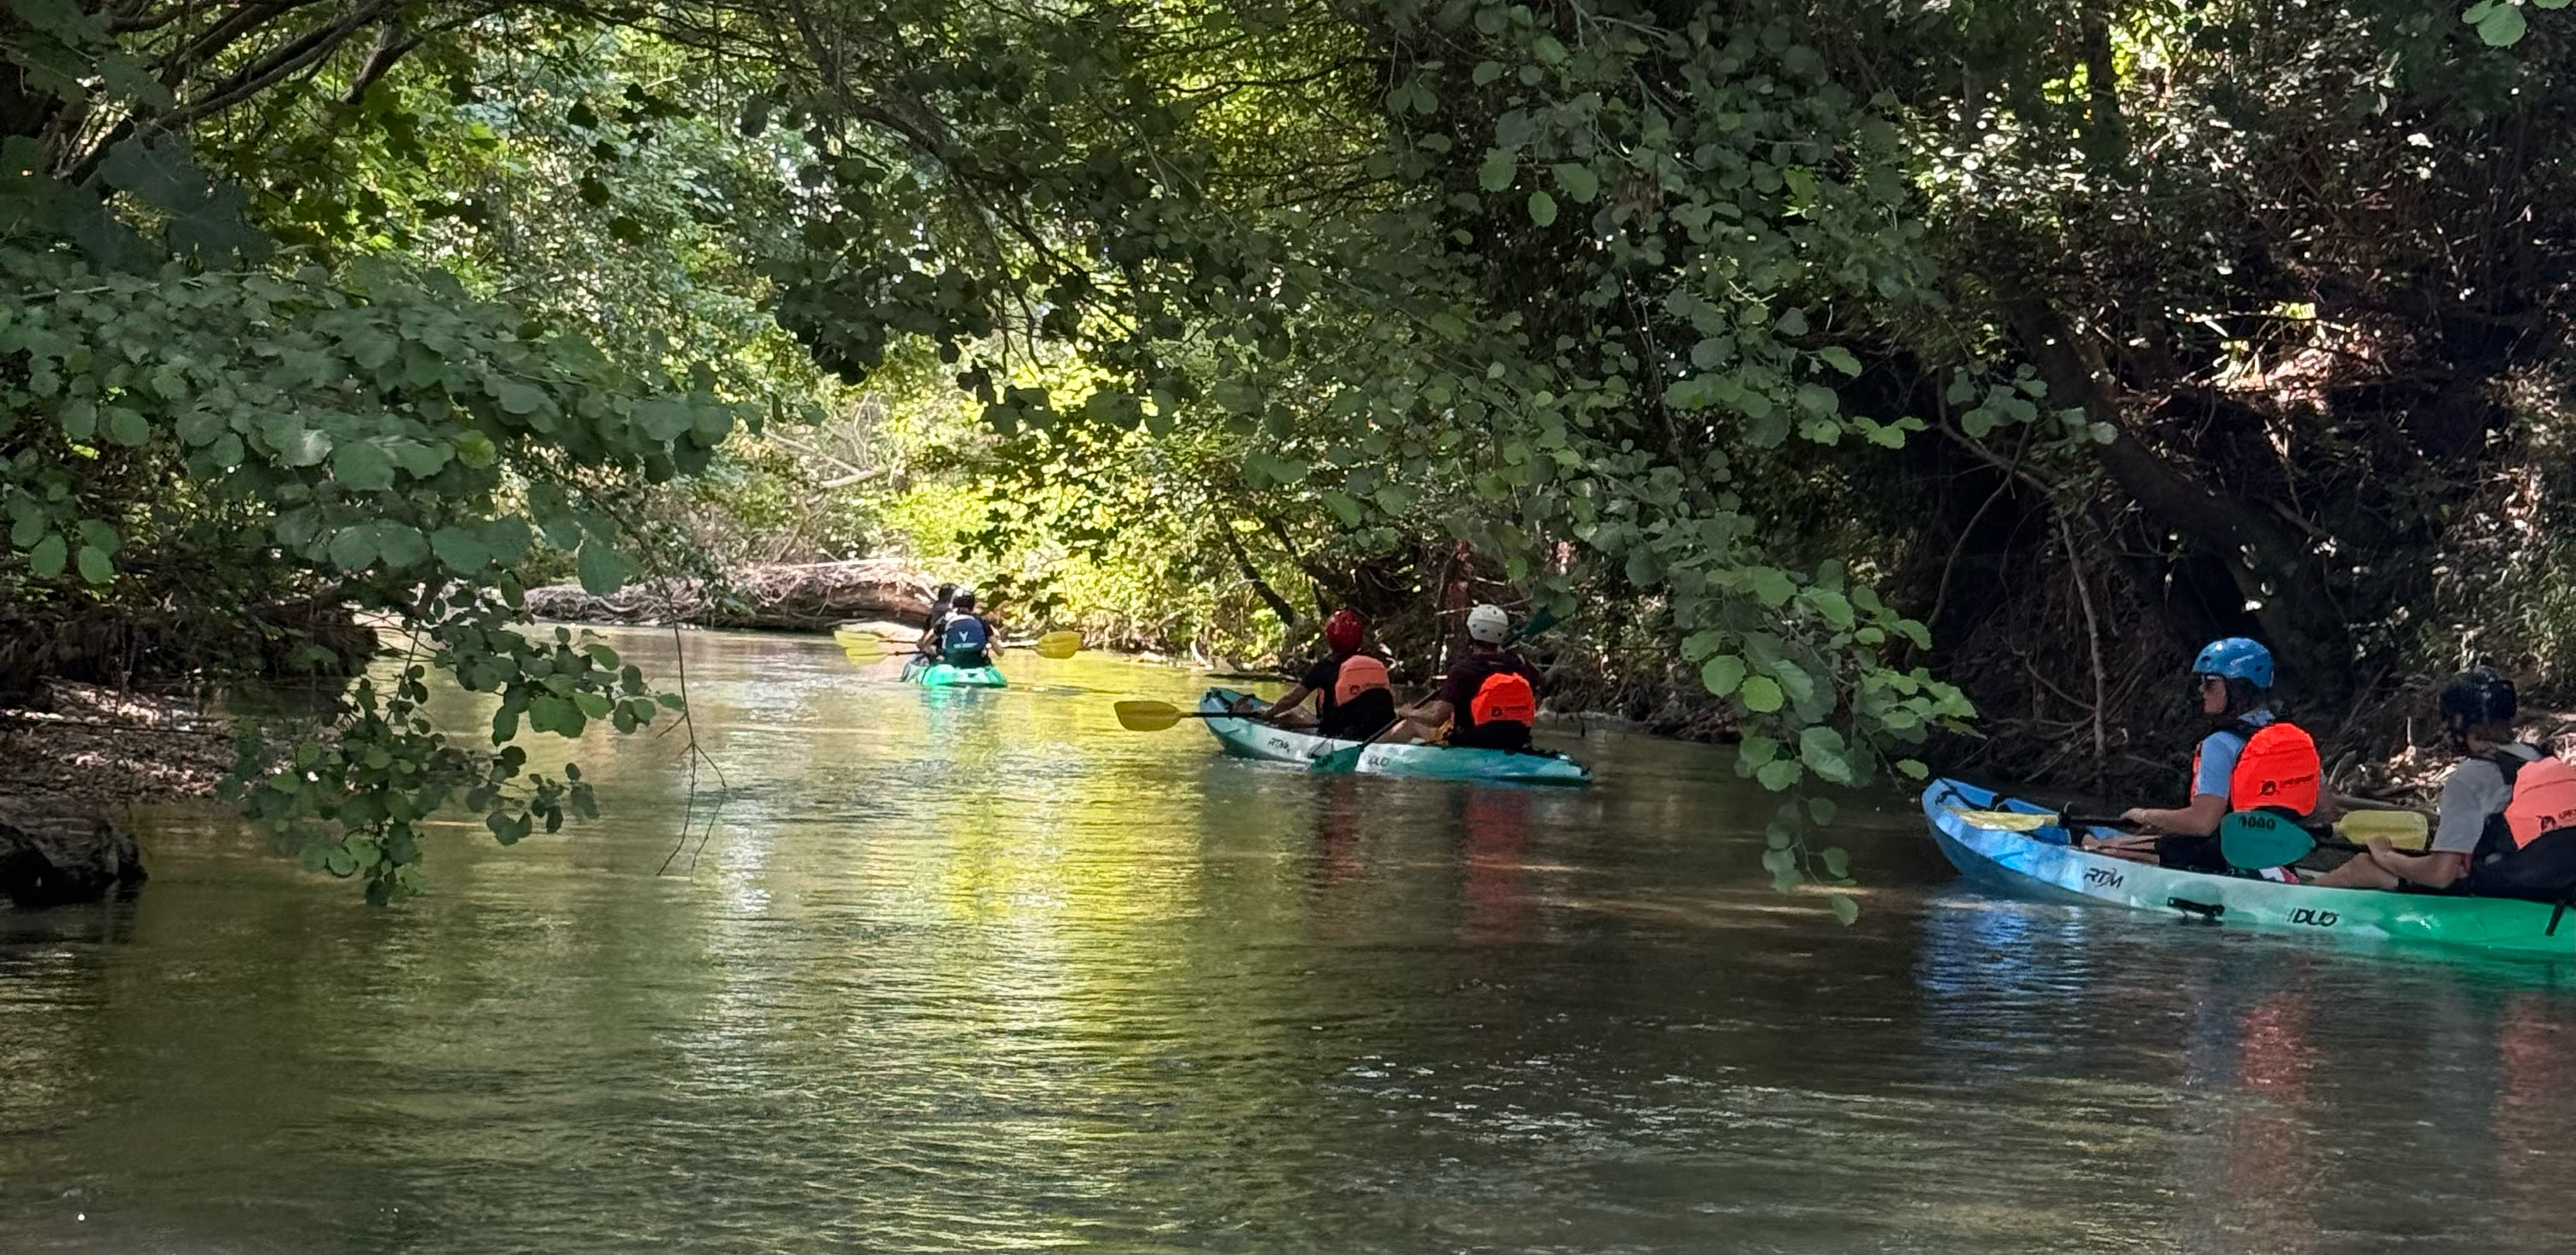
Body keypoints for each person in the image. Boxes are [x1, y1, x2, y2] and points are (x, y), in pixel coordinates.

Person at [2309, 667, 2576, 900]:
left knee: (2362, 865)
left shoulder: (2469, 778)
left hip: (2506, 890)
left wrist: (2384, 855)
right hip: (2561, 886)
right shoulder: (2540, 757)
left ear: (2459, 722)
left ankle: (2283, 903)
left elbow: (2440, 875)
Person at [2095, 637, 2323, 872]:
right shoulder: (2295, 739)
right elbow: (2323, 808)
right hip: (2278, 857)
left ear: (2238, 687)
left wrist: (2144, 815)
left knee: (2103, 848)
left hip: (2216, 857)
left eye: (2210, 682)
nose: (2201, 689)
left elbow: (2203, 823)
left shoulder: (2219, 744)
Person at [1394, 603, 1542, 751]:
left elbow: (1435, 719)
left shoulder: (1463, 670)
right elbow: (1538, 691)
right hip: (1516, 740)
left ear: (1470, 634)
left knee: (1412, 722)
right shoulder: (1520, 665)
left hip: (1472, 743)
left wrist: (1409, 713)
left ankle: (1374, 755)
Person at [1240, 609, 1397, 739]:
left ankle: (1263, 724)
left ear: (1329, 638)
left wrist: (1269, 713)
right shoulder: (1373, 664)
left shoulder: (1325, 667)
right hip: (1379, 732)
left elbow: (1291, 699)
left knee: (1293, 712)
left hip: (1340, 734)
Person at [930, 591, 993, 668]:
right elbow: (1000, 652)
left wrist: (934, 654)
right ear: (973, 606)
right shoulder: (981, 621)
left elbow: (926, 645)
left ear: (953, 605)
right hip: (978, 664)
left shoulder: (945, 620)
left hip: (950, 664)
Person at [914, 583, 959, 659]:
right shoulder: (959, 613)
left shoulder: (934, 612)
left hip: (935, 649)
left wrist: (921, 644)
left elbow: (922, 642)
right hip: (953, 651)